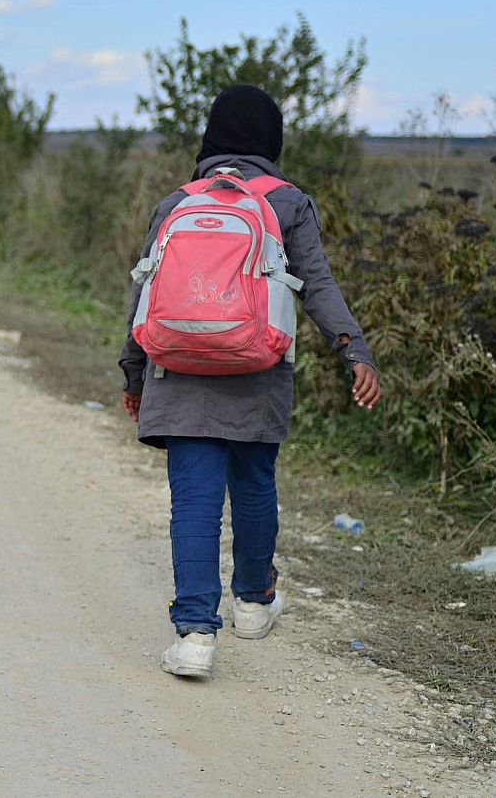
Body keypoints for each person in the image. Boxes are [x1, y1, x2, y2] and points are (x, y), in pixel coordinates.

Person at [118, 85, 382, 680]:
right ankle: (254, 604)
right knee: (255, 484)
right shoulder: (288, 202)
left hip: (177, 369)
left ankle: (194, 636)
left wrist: (134, 372)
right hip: (257, 370)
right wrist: (354, 352)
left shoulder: (176, 203)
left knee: (194, 500)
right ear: (271, 139)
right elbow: (318, 285)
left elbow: (143, 293)